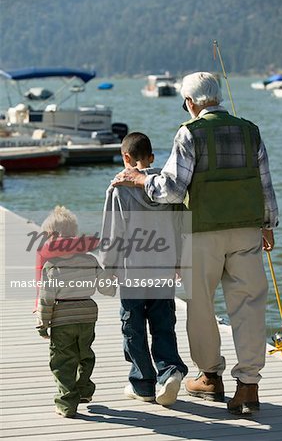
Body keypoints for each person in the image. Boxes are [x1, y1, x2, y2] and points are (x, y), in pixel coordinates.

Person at [112, 73, 279, 415]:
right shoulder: (251, 130)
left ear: (190, 102)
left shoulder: (189, 132)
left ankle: (210, 377)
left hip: (202, 232)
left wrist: (143, 179)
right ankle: (248, 386)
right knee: (248, 307)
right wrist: (268, 224)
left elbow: (172, 188)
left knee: (200, 305)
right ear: (217, 98)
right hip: (247, 229)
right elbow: (264, 183)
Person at [98, 132, 188, 406]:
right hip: (163, 269)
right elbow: (181, 228)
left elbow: (113, 233)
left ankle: (143, 383)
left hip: (131, 270)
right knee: (163, 324)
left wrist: (107, 269)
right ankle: (169, 371)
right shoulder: (168, 187)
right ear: (151, 158)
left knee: (133, 326)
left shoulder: (118, 189)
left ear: (126, 158)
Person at [36, 206, 114, 418]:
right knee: (84, 353)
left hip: (62, 317)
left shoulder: (52, 266)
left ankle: (66, 403)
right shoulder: (89, 260)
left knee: (62, 360)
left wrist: (42, 325)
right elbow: (107, 289)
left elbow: (46, 299)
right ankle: (84, 390)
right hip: (88, 314)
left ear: (51, 237)